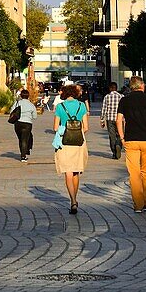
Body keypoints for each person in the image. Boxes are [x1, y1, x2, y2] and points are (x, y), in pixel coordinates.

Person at [116, 76, 146, 213]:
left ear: (131, 87)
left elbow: (119, 121)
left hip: (131, 140)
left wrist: (122, 138)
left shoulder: (124, 100)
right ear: (141, 86)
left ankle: (138, 205)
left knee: (134, 173)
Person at [53, 84, 89, 215]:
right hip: (79, 142)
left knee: (68, 171)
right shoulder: (82, 106)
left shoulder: (60, 107)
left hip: (65, 142)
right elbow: (86, 127)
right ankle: (75, 198)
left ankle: (72, 200)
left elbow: (56, 127)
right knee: (76, 171)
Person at [9, 88, 37, 161]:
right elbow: (35, 116)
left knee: (20, 139)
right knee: (25, 139)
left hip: (18, 123)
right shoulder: (31, 105)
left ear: (21, 96)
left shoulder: (17, 103)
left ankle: (23, 153)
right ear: (28, 96)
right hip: (27, 124)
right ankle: (23, 156)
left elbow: (11, 111)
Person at [100, 82, 123, 159]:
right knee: (120, 134)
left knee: (112, 135)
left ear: (110, 88)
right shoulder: (121, 96)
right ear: (116, 88)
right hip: (120, 119)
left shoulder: (107, 97)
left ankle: (114, 152)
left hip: (110, 119)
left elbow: (104, 109)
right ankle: (118, 145)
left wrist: (102, 119)